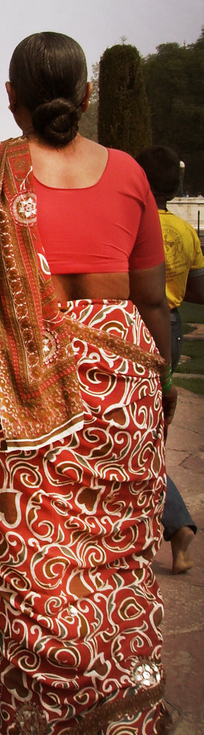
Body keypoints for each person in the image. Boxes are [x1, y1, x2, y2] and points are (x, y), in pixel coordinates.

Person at [0, 32, 172, 735]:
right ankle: (120, 712)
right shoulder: (132, 174)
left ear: (10, 98)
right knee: (114, 557)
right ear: (85, 97)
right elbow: (151, 300)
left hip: (20, 384)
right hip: (120, 386)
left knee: (27, 560)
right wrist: (160, 380)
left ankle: (40, 715)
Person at [136, 144, 204, 575]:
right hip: (173, 328)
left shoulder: (133, 224)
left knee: (135, 442)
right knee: (148, 437)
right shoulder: (183, 230)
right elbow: (199, 290)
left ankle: (175, 524)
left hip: (137, 328)